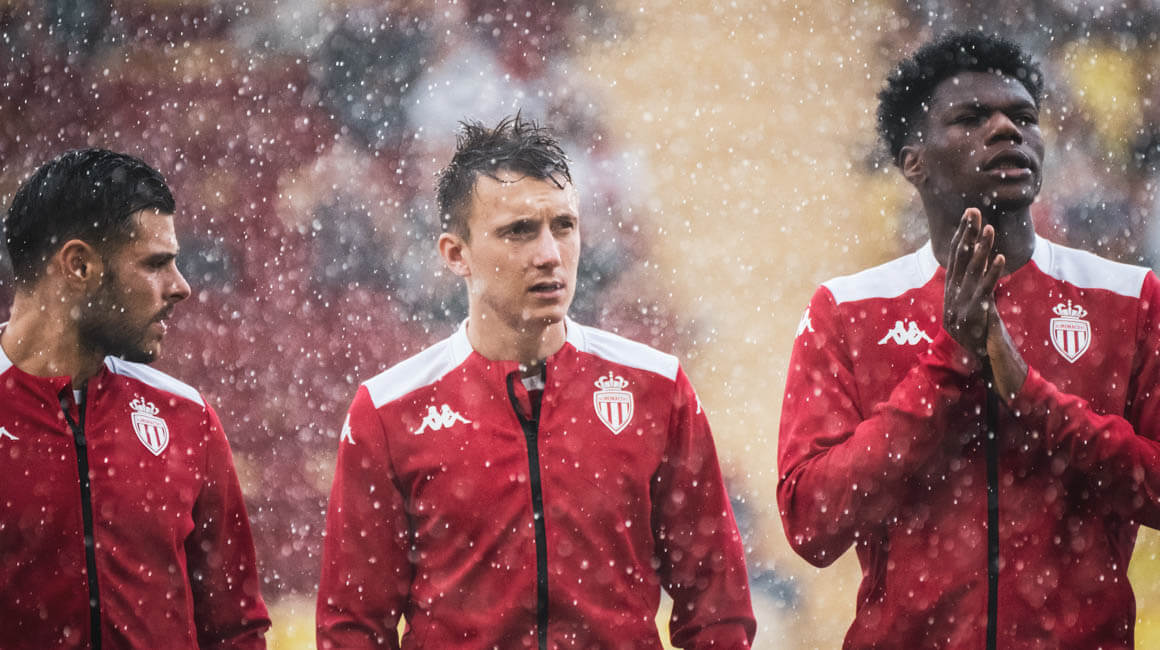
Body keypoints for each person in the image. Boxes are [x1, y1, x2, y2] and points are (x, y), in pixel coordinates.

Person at [778, 30, 1160, 649]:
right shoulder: (847, 310)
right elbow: (810, 522)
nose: (1008, 129)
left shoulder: (1127, 297)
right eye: (972, 118)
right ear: (914, 162)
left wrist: (1030, 396)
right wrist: (947, 367)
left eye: (1024, 118)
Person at [316, 116, 755, 649]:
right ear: (456, 254)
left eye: (563, 226)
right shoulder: (389, 410)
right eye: (519, 230)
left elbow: (717, 606)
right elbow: (353, 626)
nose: (549, 254)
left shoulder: (657, 387)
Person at [0, 149, 270, 648]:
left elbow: (236, 630)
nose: (182, 287)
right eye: (156, 264)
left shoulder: (188, 417)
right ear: (79, 266)